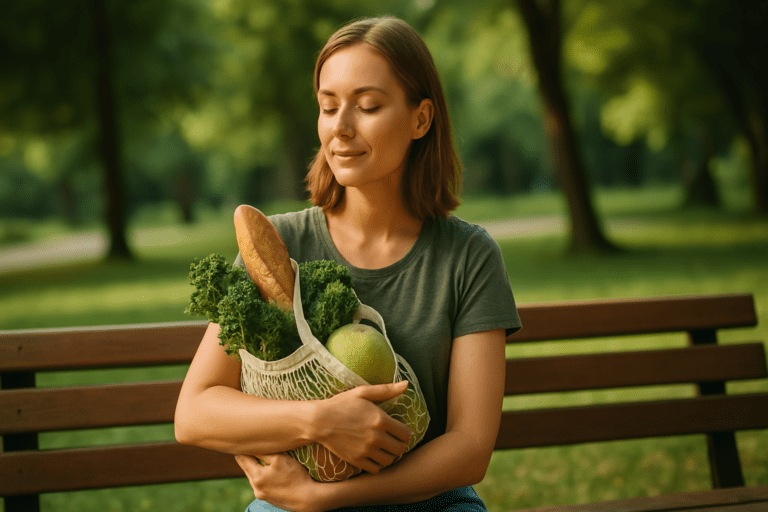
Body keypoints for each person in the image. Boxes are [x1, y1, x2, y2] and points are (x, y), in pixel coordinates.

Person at [174, 15, 521, 512]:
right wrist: (319, 421)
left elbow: (469, 448)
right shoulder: (277, 244)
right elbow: (194, 411)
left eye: (368, 106)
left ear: (421, 119)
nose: (340, 127)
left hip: (430, 502)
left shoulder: (468, 257)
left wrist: (324, 499)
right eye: (328, 106)